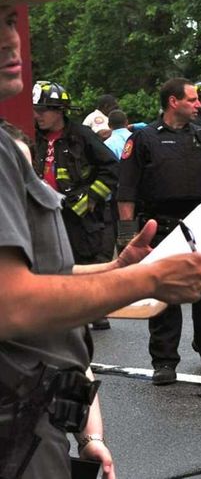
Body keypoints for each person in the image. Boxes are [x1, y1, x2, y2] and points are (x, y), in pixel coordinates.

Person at [1, 0, 201, 479]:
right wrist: (147, 282)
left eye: (11, 19)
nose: (12, 39)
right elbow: (13, 304)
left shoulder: (79, 140)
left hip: (40, 423)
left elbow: (41, 278)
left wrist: (115, 269)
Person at [116, 78, 201, 385]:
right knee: (164, 293)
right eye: (192, 100)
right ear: (174, 102)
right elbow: (126, 189)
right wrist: (127, 234)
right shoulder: (143, 139)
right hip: (161, 225)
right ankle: (165, 360)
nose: (199, 104)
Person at [33, 81, 120, 330]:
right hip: (45, 212)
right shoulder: (31, 136)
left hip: (78, 214)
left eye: (41, 110)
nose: (36, 115)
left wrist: (91, 198)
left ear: (59, 110)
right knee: (48, 262)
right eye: (34, 109)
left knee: (84, 261)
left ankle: (93, 309)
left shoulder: (81, 136)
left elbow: (111, 168)